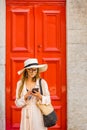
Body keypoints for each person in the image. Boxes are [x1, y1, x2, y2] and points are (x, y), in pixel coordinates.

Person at [15, 58, 51, 130]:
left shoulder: (42, 82)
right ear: (26, 70)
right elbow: (17, 103)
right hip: (25, 115)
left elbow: (48, 100)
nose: (32, 72)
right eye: (30, 69)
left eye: (35, 69)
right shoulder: (20, 84)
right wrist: (25, 96)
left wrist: (39, 96)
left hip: (38, 114)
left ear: (37, 70)